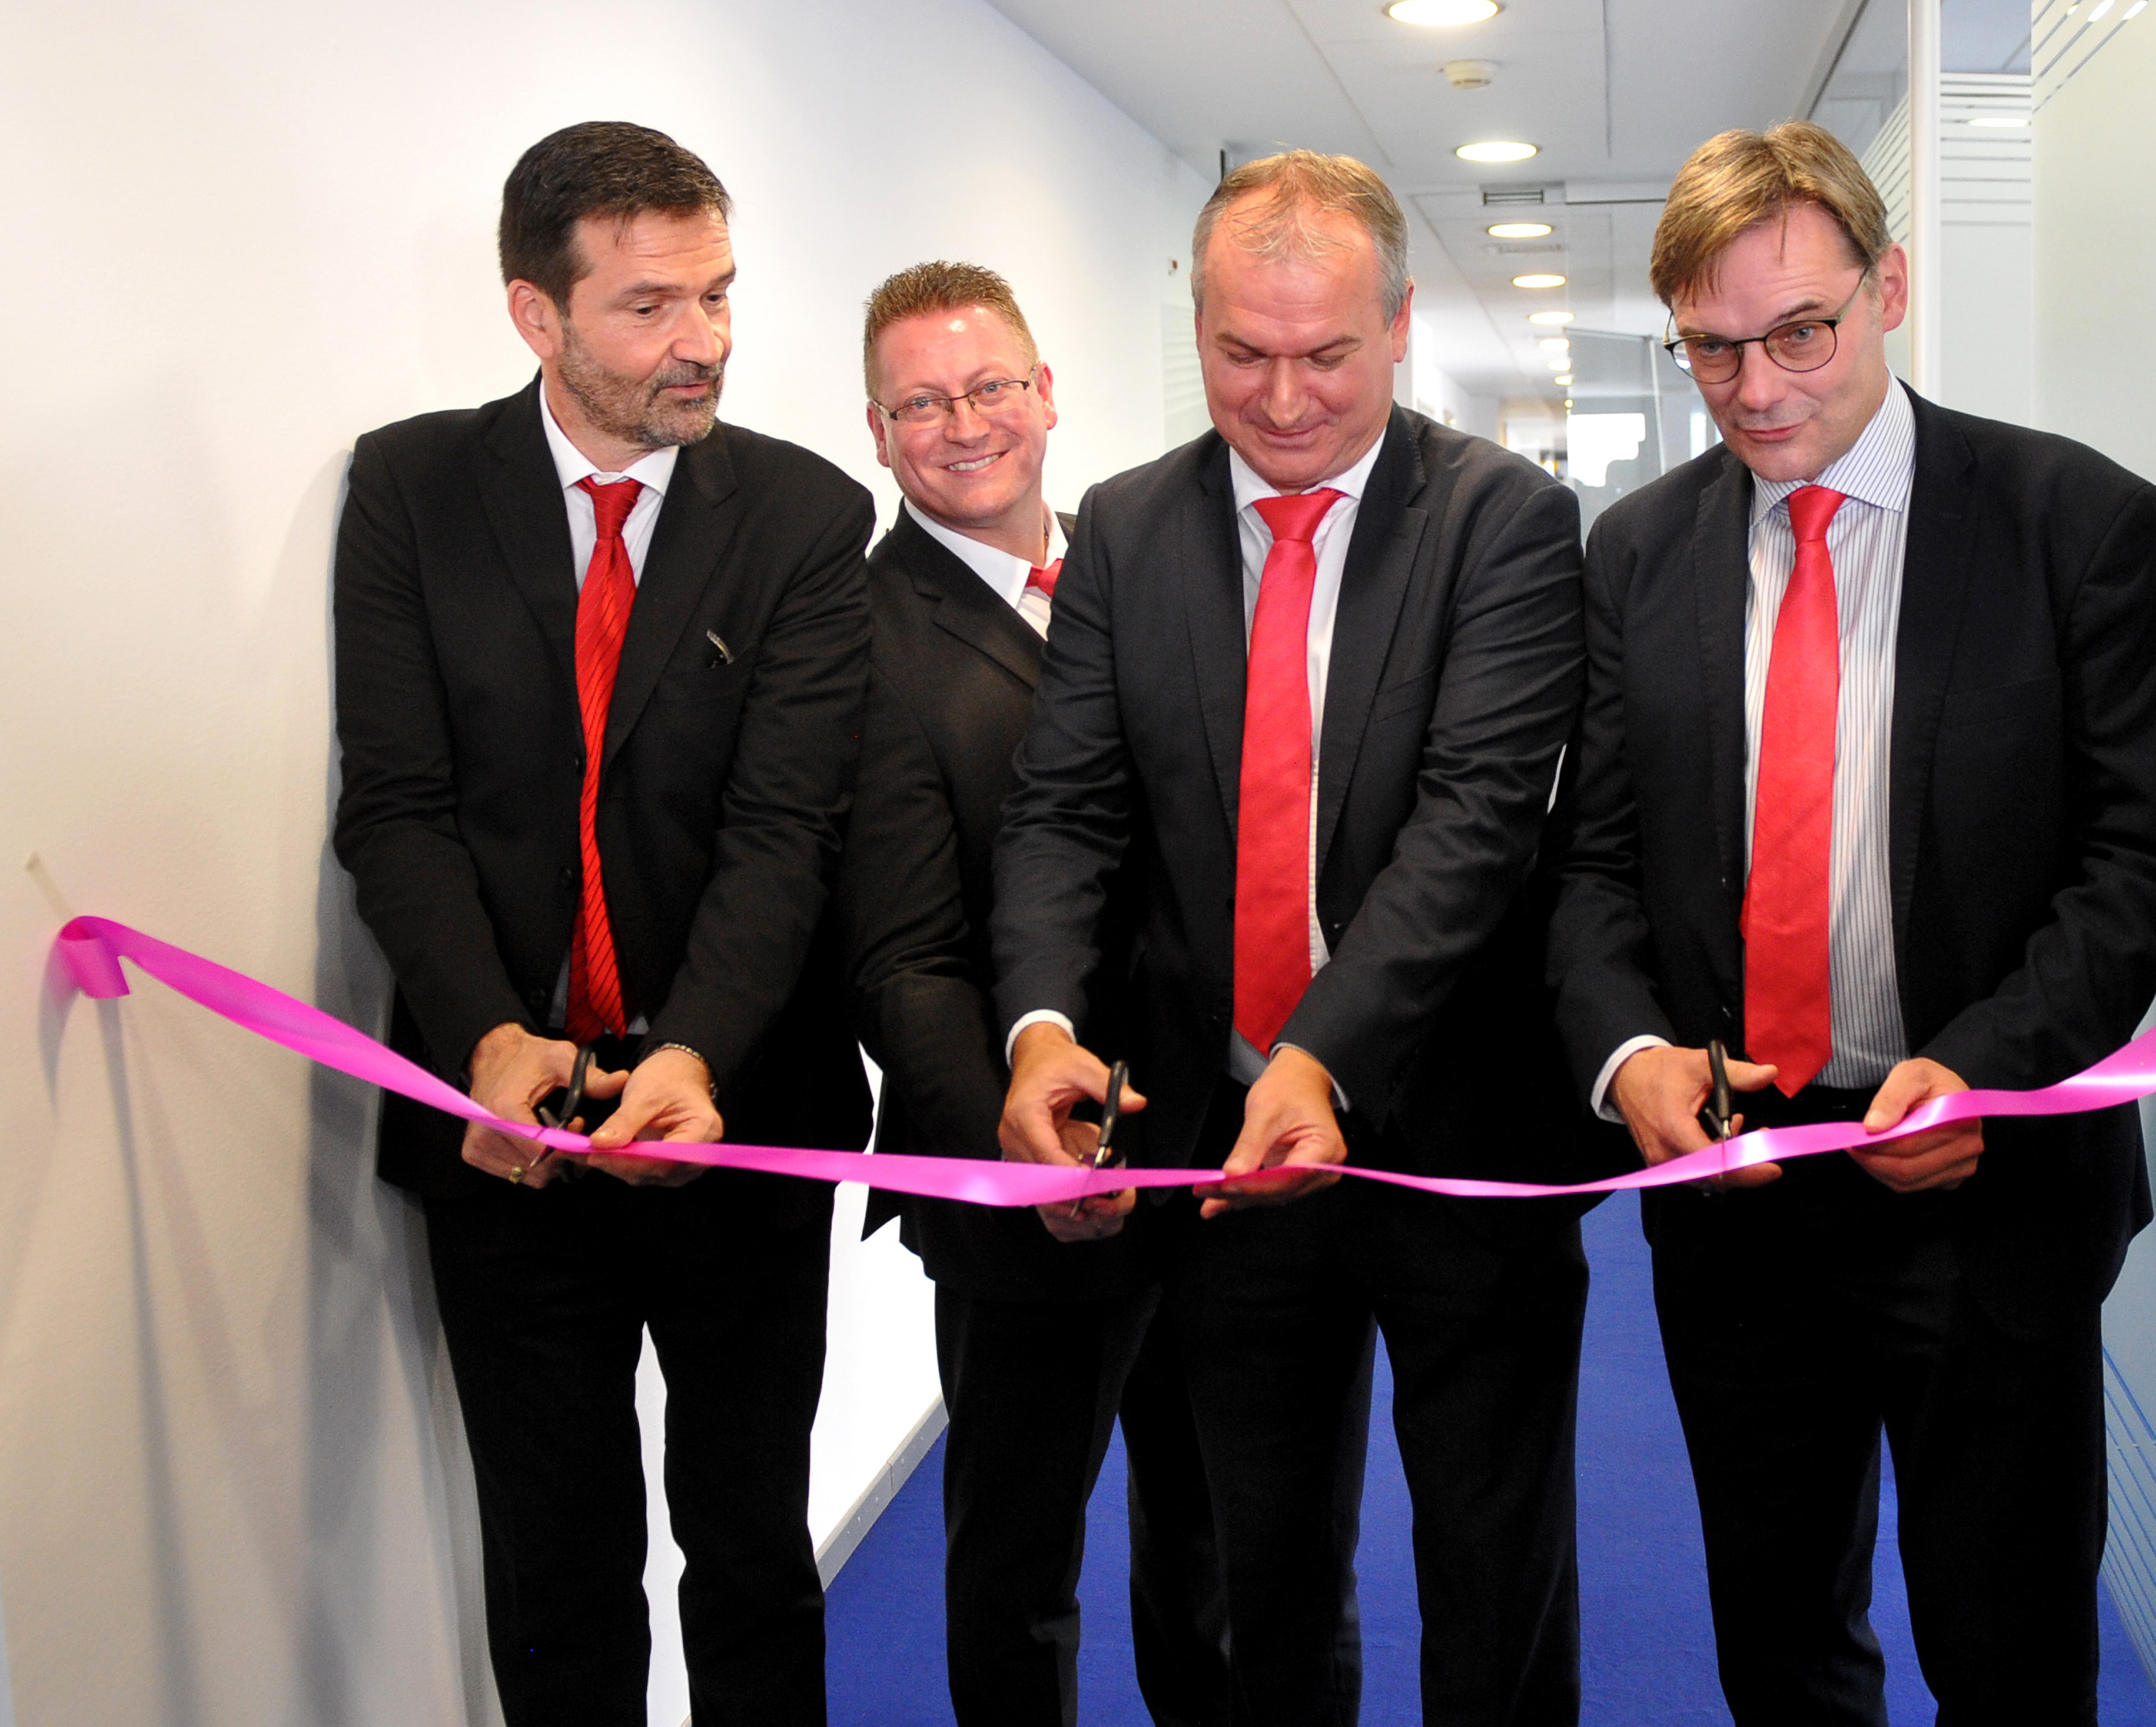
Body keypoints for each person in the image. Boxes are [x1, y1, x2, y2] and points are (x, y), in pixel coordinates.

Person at [1547, 121, 2156, 1724]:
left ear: (1887, 287)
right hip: (1739, 1184)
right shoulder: (1637, 550)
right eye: (1709, 348)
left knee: (2008, 1645)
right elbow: (1592, 867)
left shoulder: (2075, 523)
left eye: (1798, 331)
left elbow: (2138, 865)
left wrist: (1986, 1066)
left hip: (1986, 1196)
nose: (1755, 388)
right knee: (1778, 1641)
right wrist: (1629, 1053)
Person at [991, 151, 1592, 1725]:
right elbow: (1063, 810)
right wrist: (1040, 1030)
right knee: (1258, 1576)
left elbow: (1475, 823)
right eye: (1238, 352)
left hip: (1460, 1133)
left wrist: (1320, 1055)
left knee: (1492, 1573)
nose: (1279, 398)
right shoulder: (1128, 526)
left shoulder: (1503, 521)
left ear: (1398, 323)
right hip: (1221, 1140)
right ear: (1193, 326)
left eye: (1324, 353)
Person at [331, 120, 873, 1727]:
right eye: (648, 305)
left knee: (750, 1550)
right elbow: (397, 807)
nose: (701, 339)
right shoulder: (412, 489)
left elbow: (783, 832)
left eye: (717, 293)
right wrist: (487, 1038)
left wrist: (693, 1052)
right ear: (535, 313)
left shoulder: (802, 514)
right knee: (557, 1569)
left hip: (737, 1114)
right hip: (505, 1129)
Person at [837, 259, 1369, 1726]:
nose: (965, 425)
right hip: (1024, 1176)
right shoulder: (860, 642)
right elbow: (898, 952)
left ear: (1047, 392)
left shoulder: (1148, 563)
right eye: (921, 403)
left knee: (1226, 1550)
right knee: (1020, 1566)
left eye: (991, 385)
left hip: (1222, 1150)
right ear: (875, 431)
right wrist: (1014, 1135)